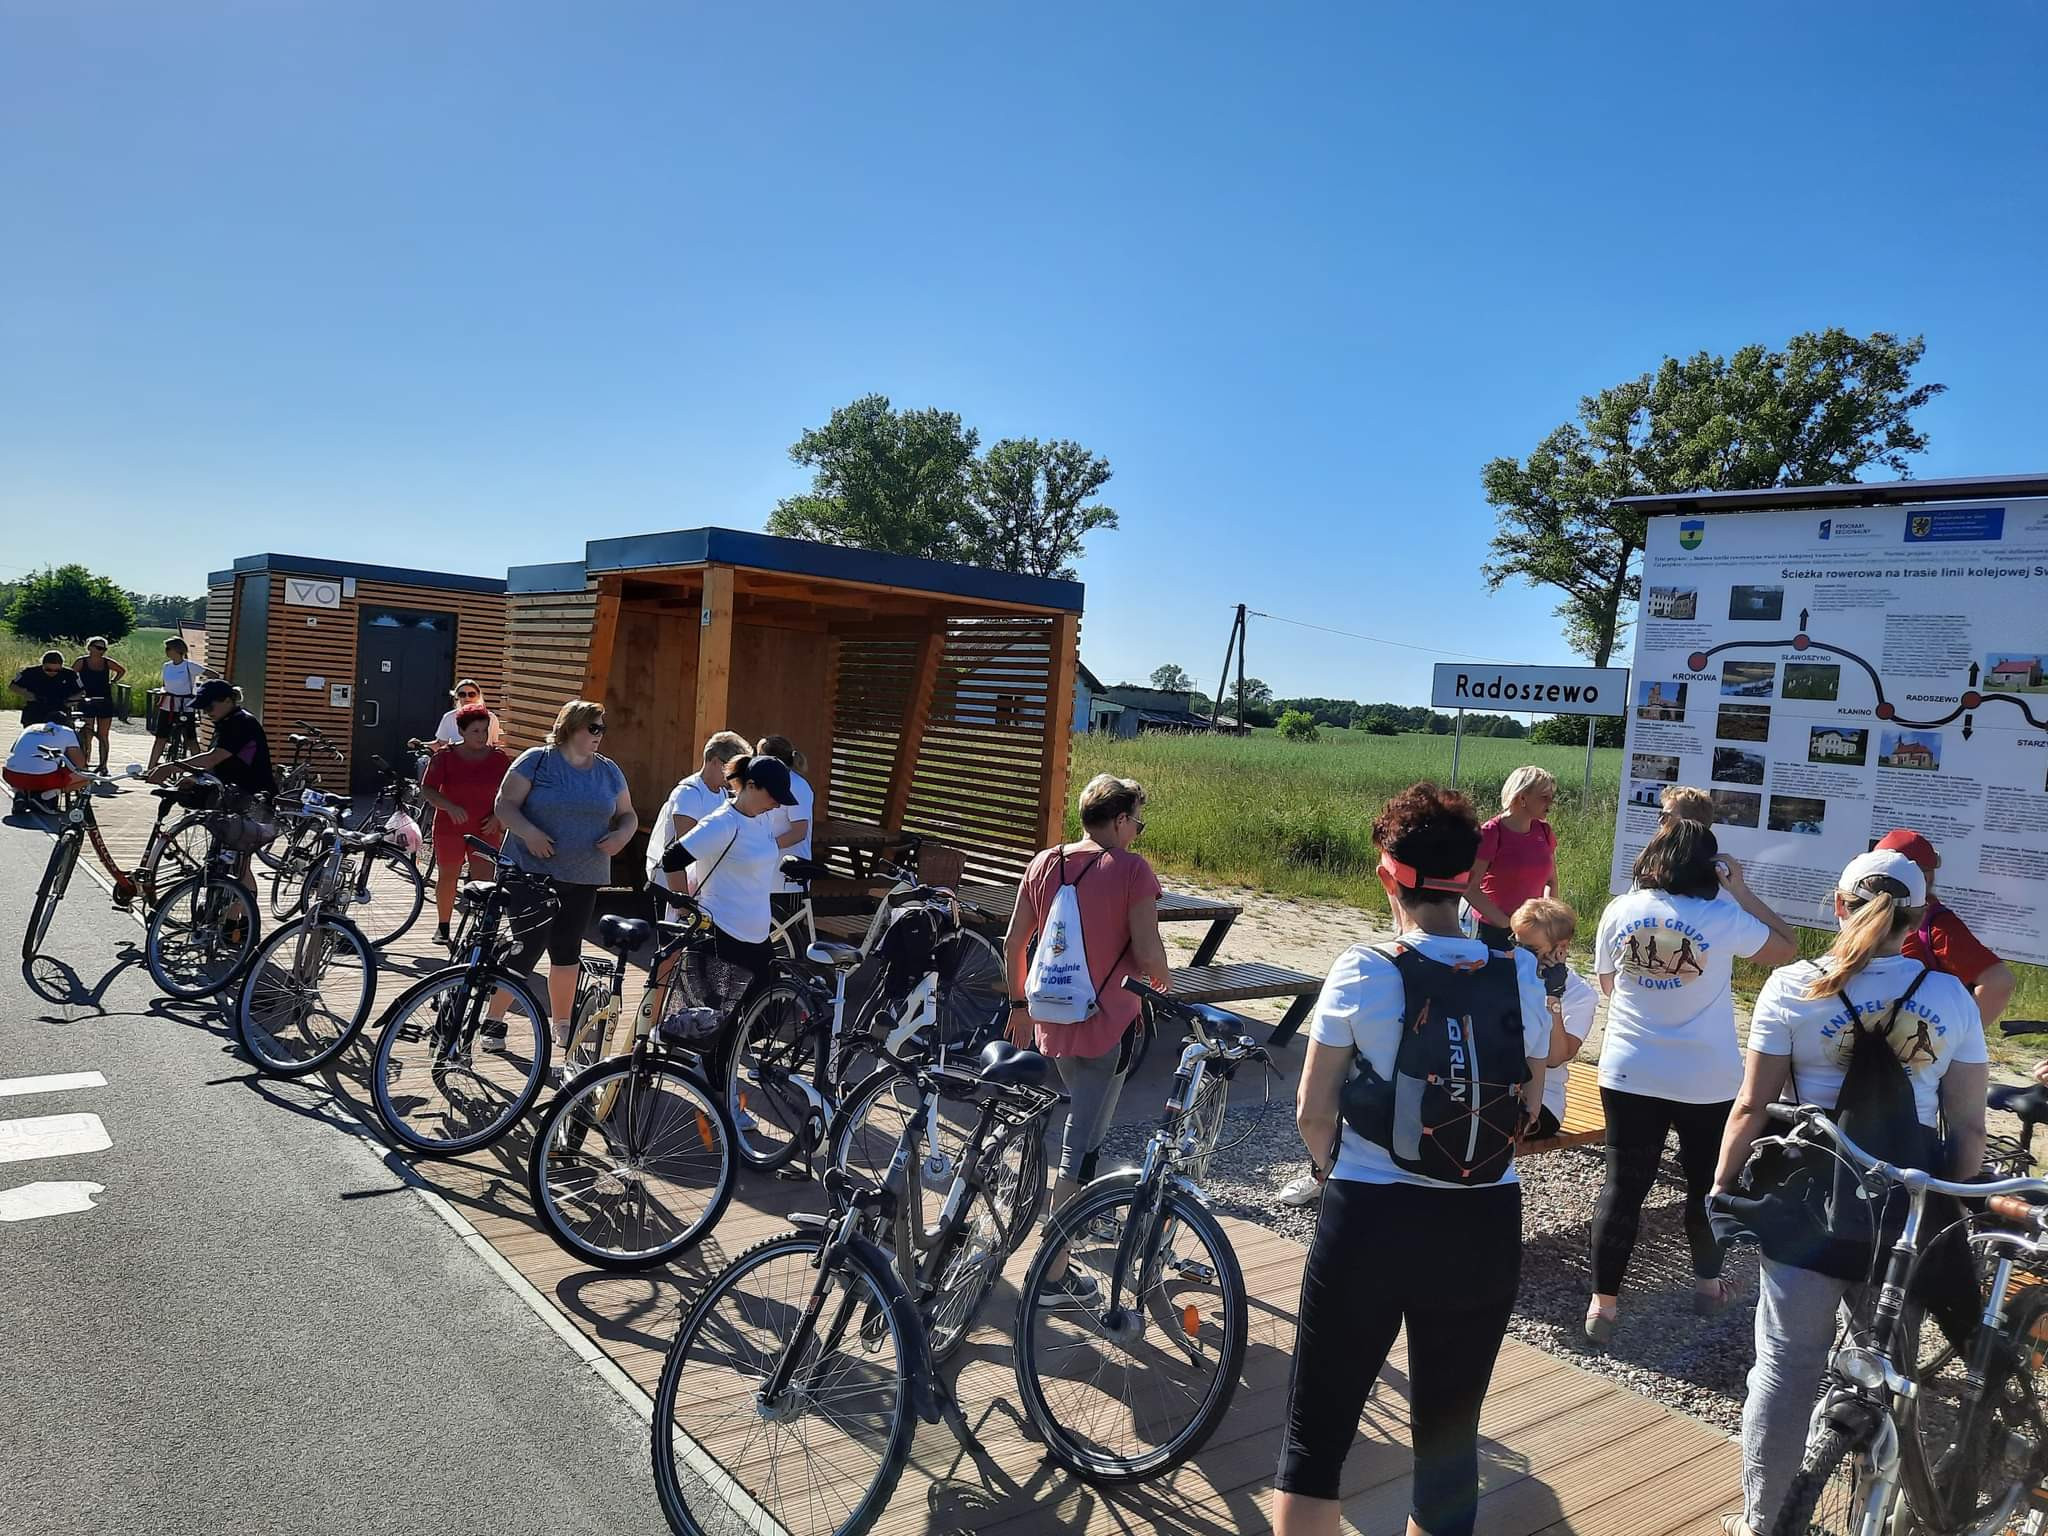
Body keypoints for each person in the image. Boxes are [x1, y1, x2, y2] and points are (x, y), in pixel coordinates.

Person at [1276, 782, 1549, 1536]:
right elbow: (1529, 1105)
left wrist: (1335, 1174)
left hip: (1371, 1215)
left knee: (1316, 1440)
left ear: (1388, 874)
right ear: (1469, 876)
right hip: (1484, 1220)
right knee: (1448, 1447)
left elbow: (1313, 1109)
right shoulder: (1519, 971)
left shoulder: (1364, 969)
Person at [1711, 848, 1987, 1536]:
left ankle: (1764, 1522)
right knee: (1886, 1367)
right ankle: (1876, 1508)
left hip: (1810, 1198)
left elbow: (1751, 1106)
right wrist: (1954, 1208)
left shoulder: (1792, 986)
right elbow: (1970, 1129)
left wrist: (1720, 1188)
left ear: (1838, 906)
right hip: (1904, 1204)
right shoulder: (1950, 995)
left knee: (1784, 1369)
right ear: (1919, 919)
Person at [1585, 817, 1798, 1345]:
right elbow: (1786, 946)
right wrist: (1741, 890)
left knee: (1623, 1185)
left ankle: (1602, 1306)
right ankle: (1707, 1286)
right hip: (1706, 1075)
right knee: (1705, 1182)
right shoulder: (1721, 915)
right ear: (1709, 867)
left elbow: (1608, 984)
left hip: (1630, 1067)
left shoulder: (1620, 909)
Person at [1003, 774, 1171, 1303]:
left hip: (1051, 1017)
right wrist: (1165, 979)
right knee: (1081, 1145)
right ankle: (1052, 1273)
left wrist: (1019, 1006)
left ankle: (1069, 1236)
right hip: (1107, 1022)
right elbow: (1148, 953)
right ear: (1119, 821)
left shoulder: (1044, 862)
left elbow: (1014, 942)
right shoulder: (1131, 870)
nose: (1137, 832)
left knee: (1082, 1130)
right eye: (1137, 822)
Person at [492, 700, 635, 1029]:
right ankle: (493, 1020)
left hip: (584, 876)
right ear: (570, 727)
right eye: (593, 727)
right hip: (531, 873)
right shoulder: (537, 760)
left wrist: (622, 835)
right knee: (527, 947)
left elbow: (627, 814)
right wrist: (529, 833)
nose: (600, 734)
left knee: (567, 950)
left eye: (603, 728)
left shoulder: (609, 770)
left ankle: (562, 1026)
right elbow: (505, 804)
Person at [656, 753, 798, 1026]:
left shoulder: (763, 819)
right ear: (751, 786)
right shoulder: (722, 823)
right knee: (712, 1029)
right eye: (774, 796)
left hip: (758, 936)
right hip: (722, 935)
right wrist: (684, 908)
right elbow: (672, 859)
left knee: (765, 1021)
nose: (778, 804)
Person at [1873, 829, 2018, 1034]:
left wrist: (1955, 1042)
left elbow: (1998, 982)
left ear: (1925, 877)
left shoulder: (1939, 926)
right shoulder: (1866, 913)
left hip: (1906, 1039)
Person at [417, 705, 512, 948]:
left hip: (485, 828)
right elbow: (427, 789)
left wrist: (498, 817)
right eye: (475, 731)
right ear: (461, 731)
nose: (481, 736)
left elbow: (510, 793)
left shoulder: (499, 758)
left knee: (484, 879)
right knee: (448, 875)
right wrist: (449, 806)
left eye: (484, 730)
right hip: (450, 827)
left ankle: (482, 928)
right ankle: (443, 926)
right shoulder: (444, 756)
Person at [1512, 896, 1596, 1141]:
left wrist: (1552, 997)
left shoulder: (1580, 994)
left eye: (1531, 950)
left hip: (1543, 1100)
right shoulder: (1506, 973)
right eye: (1515, 944)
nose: (1519, 956)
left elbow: (1555, 1057)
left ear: (1561, 948)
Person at [645, 731, 749, 904]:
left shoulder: (723, 793)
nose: (735, 776)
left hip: (702, 885)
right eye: (731, 768)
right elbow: (685, 847)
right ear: (715, 762)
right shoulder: (689, 793)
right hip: (674, 888)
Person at [1464, 766, 1558, 949]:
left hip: (1534, 931)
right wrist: (1506, 923)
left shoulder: (1544, 831)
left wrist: (1551, 921)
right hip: (1492, 930)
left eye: (1551, 797)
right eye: (1544, 797)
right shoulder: (1491, 832)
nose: (1551, 803)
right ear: (1522, 798)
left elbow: (1551, 881)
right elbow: (1469, 887)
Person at [753, 734, 816, 886]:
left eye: (758, 756)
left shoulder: (797, 786)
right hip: (766, 875)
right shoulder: (766, 783)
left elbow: (799, 832)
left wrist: (764, 849)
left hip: (788, 878)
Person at [6, 707, 89, 814]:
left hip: (11, 775)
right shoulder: (67, 731)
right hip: (43, 779)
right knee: (87, 778)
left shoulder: (30, 727)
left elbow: (13, 750)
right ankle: (47, 795)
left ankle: (19, 792)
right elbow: (79, 765)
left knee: (23, 765)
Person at [148, 636, 211, 772]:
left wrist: (203, 692)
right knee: (160, 738)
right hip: (168, 705)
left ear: (177, 650)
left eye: (168, 648)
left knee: (191, 739)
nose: (166, 651)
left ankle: (199, 769)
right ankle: (150, 768)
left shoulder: (189, 666)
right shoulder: (167, 666)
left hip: (186, 706)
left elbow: (213, 674)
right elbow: (166, 684)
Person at [71, 637, 126, 774]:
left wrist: (113, 681)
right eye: (99, 648)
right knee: (87, 733)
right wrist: (77, 689)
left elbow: (121, 670)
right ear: (90, 647)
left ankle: (103, 765)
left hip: (104, 699)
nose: (101, 651)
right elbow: (71, 675)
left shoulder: (106, 662)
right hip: (86, 700)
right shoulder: (82, 661)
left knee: (103, 734)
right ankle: (85, 763)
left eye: (104, 649)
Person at [415, 680, 503, 752]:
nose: (467, 698)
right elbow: (440, 744)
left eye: (471, 694)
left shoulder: (491, 718)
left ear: (478, 696)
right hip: (456, 762)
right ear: (457, 696)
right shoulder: (449, 717)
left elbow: (495, 744)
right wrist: (420, 744)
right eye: (462, 694)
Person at [11, 651, 82, 727]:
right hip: (35, 710)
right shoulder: (30, 672)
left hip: (61, 711)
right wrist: (27, 694)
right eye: (48, 669)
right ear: (42, 665)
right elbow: (13, 686)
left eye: (57, 670)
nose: (52, 672)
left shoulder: (70, 674)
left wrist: (71, 700)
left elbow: (81, 692)